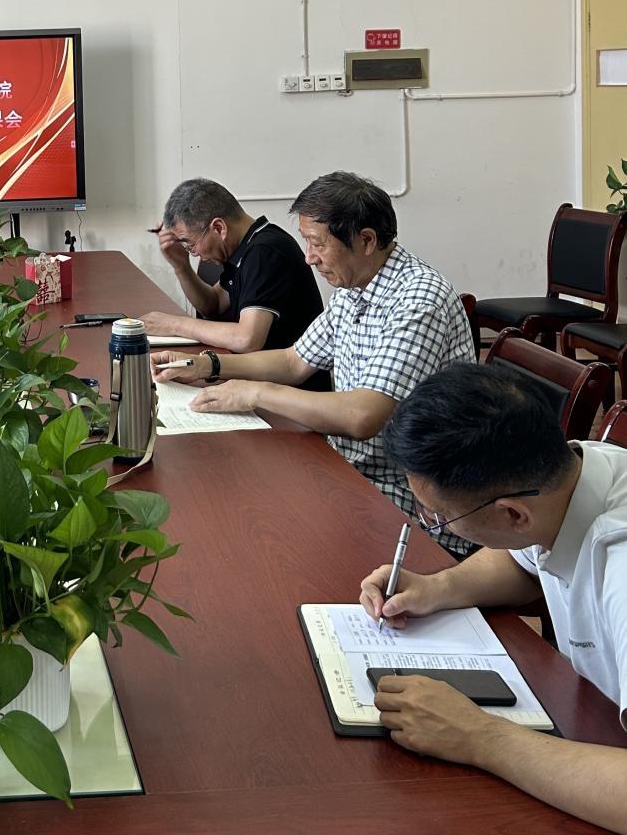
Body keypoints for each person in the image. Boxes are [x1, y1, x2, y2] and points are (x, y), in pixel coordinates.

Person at [357, 363, 627, 833]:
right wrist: (437, 588)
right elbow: (522, 562)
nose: (429, 523)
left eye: (437, 516)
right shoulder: (575, 472)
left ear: (512, 515)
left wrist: (478, 737)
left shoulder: (621, 564)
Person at [153, 172, 475, 553]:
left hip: (409, 500)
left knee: (258, 531)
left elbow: (362, 416)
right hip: (350, 467)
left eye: (317, 243)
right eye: (306, 241)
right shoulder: (354, 289)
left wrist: (254, 393)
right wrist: (207, 366)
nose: (308, 257)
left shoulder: (418, 301)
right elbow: (294, 361)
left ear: (366, 240)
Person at [142, 178, 325, 356]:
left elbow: (248, 339)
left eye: (191, 245)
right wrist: (181, 266)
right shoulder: (246, 248)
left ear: (219, 228)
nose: (194, 253)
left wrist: (174, 325)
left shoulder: (265, 251)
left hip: (284, 376)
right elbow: (214, 305)